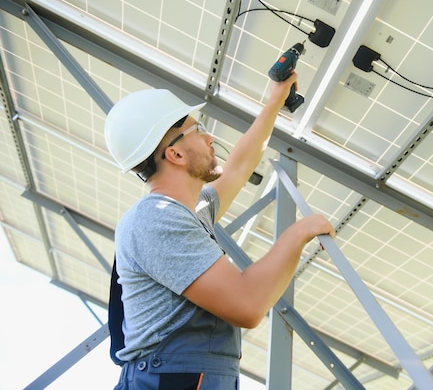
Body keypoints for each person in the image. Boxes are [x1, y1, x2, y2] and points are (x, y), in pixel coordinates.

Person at [104, 72, 335, 390]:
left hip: (188, 376)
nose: (210, 138)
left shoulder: (189, 212)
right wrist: (298, 233)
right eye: (197, 130)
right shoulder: (157, 219)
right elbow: (247, 304)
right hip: (171, 379)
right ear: (176, 154)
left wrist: (274, 101)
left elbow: (240, 166)